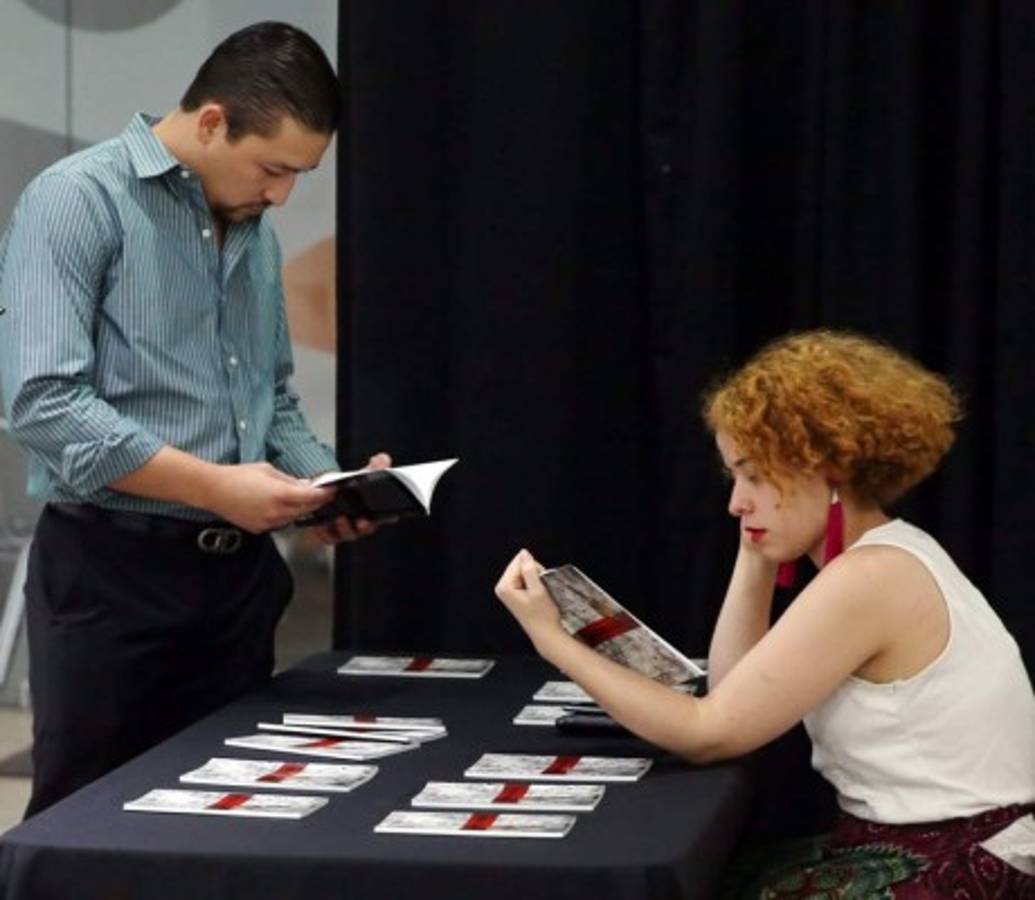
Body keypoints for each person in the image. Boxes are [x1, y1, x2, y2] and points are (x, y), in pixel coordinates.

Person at [0, 21, 389, 817]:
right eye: (273, 168)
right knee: (92, 826)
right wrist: (215, 487)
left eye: (298, 174)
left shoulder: (252, 233)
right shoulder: (77, 201)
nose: (281, 194)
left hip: (237, 584)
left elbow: (269, 395)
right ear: (211, 122)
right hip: (115, 576)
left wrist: (326, 484)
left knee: (229, 822)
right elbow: (43, 404)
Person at [496, 330, 1035, 897]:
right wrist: (754, 556)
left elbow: (708, 734)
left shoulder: (870, 576)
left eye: (754, 475)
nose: (736, 502)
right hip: (936, 845)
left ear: (829, 468)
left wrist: (554, 640)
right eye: (734, 478)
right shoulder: (889, 553)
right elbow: (732, 694)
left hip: (958, 865)